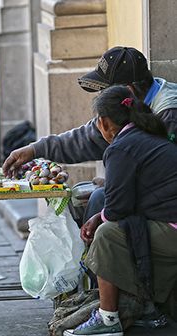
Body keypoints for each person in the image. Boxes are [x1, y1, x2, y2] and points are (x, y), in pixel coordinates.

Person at [2, 46, 177, 224]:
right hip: (152, 196)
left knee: (99, 200)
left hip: (168, 210)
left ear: (128, 90)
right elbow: (87, 137)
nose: (102, 97)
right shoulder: (128, 107)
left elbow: (162, 178)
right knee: (81, 194)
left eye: (105, 92)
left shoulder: (169, 114)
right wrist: (34, 149)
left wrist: (116, 185)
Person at [63, 85, 177, 336]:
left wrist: (97, 220)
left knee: (107, 234)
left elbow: (115, 209)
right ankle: (141, 307)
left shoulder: (121, 147)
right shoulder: (146, 136)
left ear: (103, 123)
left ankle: (108, 318)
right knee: (113, 226)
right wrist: (98, 215)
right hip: (168, 222)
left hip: (172, 229)